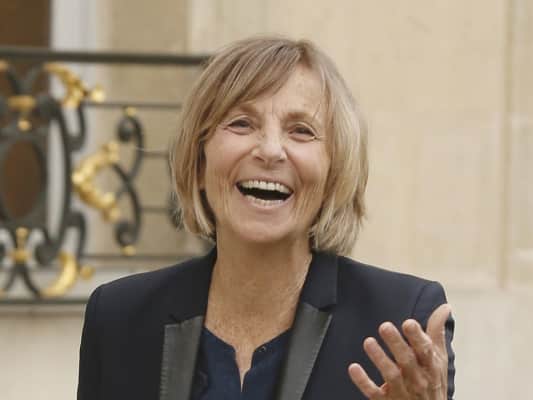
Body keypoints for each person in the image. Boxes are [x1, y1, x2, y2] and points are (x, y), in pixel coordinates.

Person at [77, 37, 455, 400]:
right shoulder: (119, 317)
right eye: (242, 123)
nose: (271, 150)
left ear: (333, 173)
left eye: (301, 131)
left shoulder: (401, 321)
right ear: (198, 162)